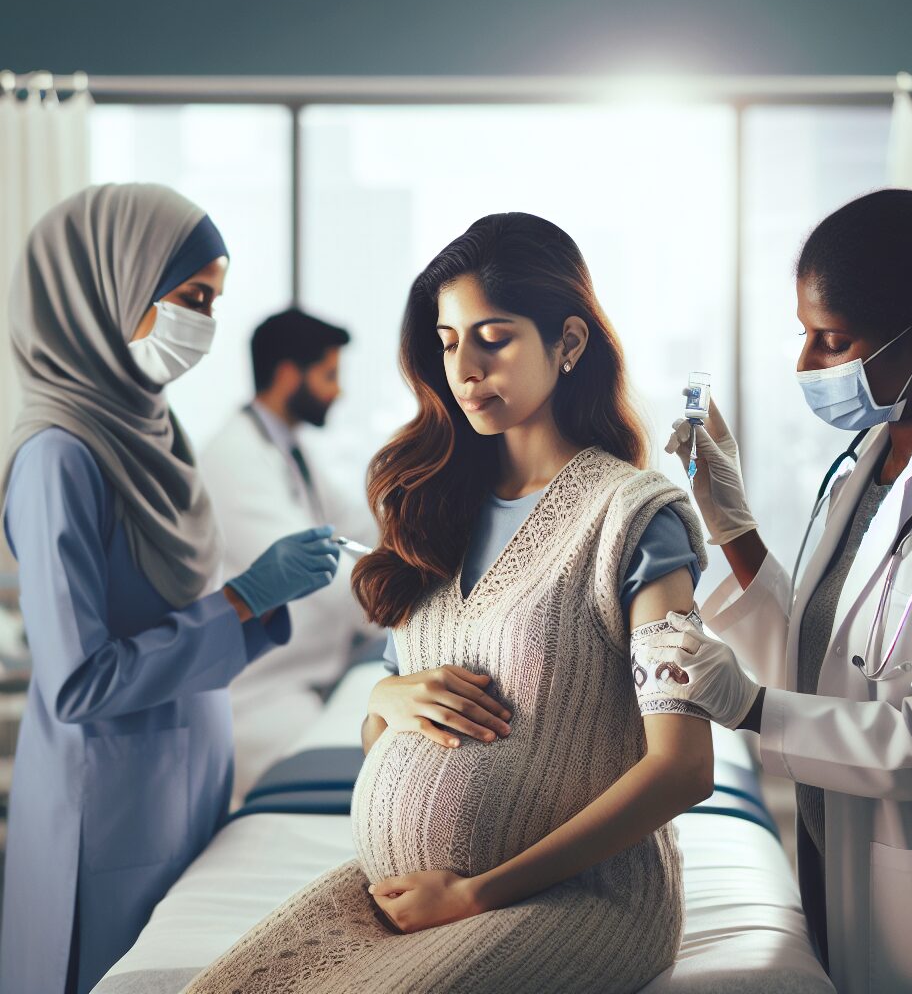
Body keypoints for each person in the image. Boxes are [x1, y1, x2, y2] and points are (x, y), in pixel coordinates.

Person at [183, 212, 713, 994]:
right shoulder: (434, 510)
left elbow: (683, 769)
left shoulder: (634, 517)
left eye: (493, 337)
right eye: (447, 339)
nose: (464, 366)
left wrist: (473, 893)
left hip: (570, 897)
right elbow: (387, 736)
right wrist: (384, 698)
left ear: (568, 344)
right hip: (412, 897)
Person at [662, 189, 912, 993]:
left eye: (834, 341)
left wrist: (754, 708)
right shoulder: (866, 462)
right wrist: (731, 523)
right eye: (805, 335)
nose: (806, 366)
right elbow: (827, 653)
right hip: (837, 857)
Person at [0, 184, 341, 994]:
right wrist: (241, 600)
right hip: (107, 808)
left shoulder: (152, 429)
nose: (205, 327)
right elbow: (81, 681)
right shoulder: (59, 457)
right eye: (191, 299)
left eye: (214, 302)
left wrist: (252, 603)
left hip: (185, 781)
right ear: (107, 288)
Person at [201, 307, 379, 801]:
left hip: (308, 681)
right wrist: (410, 616)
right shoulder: (235, 458)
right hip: (259, 696)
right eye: (329, 375)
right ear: (287, 375)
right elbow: (317, 571)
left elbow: (357, 525)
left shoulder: (289, 448)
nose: (338, 391)